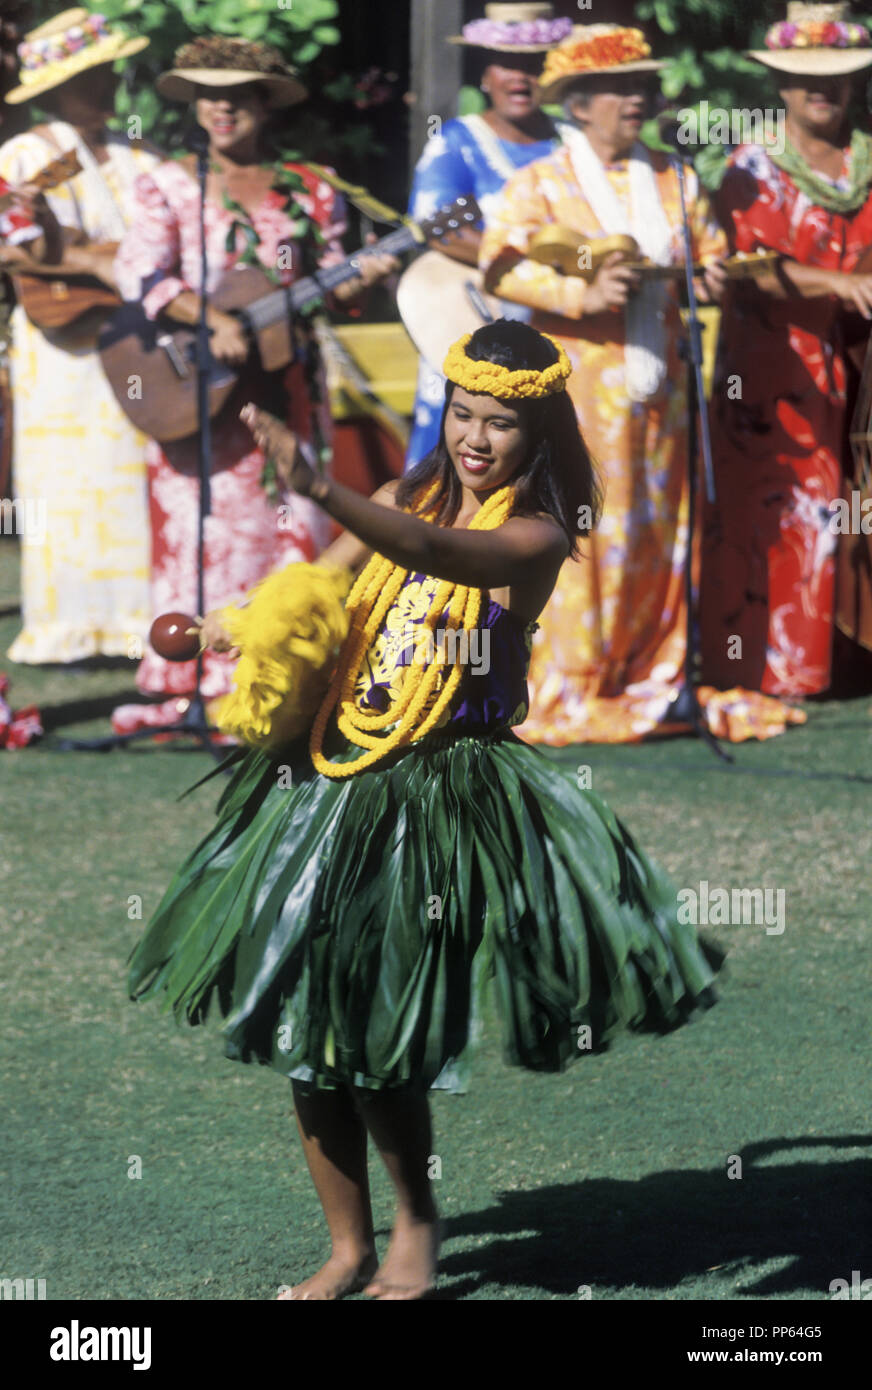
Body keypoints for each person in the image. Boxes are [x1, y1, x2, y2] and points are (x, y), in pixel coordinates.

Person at [127, 320, 716, 1301]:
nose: (474, 437)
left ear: (538, 433)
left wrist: (320, 485)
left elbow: (436, 550)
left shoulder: (532, 534)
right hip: (327, 779)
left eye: (498, 423)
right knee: (303, 1028)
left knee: (369, 1026)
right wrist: (246, 627)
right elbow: (329, 581)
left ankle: (415, 1221)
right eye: (461, 413)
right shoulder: (406, 491)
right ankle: (345, 1244)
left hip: (431, 794)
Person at [479, 23, 807, 745]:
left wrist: (712, 280)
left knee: (657, 533)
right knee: (581, 531)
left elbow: (710, 263)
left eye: (643, 87)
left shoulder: (676, 179)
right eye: (621, 88)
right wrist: (577, 296)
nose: (637, 99)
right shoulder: (540, 181)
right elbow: (498, 267)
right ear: (581, 101)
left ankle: (650, 676)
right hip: (574, 392)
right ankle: (572, 681)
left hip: (661, 394)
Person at [109, 36, 397, 737]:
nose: (221, 108)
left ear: (265, 102)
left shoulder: (312, 186)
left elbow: (325, 279)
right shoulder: (169, 180)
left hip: (287, 387)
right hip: (197, 394)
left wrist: (355, 284)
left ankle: (283, 680)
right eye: (209, 94)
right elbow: (138, 273)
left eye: (237, 94)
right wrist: (211, 318)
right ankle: (190, 685)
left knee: (291, 525)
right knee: (202, 530)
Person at [700, 2, 872, 698]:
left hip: (859, 370)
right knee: (777, 512)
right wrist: (837, 282)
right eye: (805, 78)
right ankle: (766, 670)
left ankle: (847, 659)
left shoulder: (868, 160)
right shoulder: (752, 166)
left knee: (852, 508)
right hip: (774, 369)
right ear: (779, 85)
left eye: (835, 77)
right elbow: (743, 265)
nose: (820, 90)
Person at [0, 7, 161, 664]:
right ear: (54, 88)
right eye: (88, 75)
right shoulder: (39, 155)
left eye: (106, 72)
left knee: (129, 474)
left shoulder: (135, 152)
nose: (104, 86)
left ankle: (135, 623)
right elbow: (15, 242)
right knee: (62, 482)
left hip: (134, 338)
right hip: (61, 345)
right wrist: (94, 260)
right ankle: (66, 628)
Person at [404, 1, 568, 468]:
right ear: (484, 74)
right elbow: (437, 228)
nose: (521, 77)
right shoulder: (458, 141)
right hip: (473, 329)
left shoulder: (572, 141)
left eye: (533, 64)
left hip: (563, 333)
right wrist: (533, 264)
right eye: (507, 64)